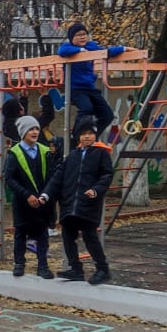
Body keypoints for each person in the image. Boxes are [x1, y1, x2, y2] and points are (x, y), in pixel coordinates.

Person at [42, 117, 115, 284]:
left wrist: (96, 190)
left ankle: (103, 269)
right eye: (83, 133)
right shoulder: (72, 156)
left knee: (90, 236)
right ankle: (75, 269)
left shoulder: (101, 153)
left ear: (95, 135)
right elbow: (58, 177)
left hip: (88, 204)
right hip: (69, 205)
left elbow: (106, 175)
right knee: (68, 236)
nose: (87, 136)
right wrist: (46, 194)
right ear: (78, 136)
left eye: (90, 133)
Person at [3, 115, 56, 279]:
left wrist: (44, 195)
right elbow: (9, 179)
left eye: (36, 129)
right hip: (22, 202)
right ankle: (19, 263)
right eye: (31, 129)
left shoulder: (45, 151)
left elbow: (51, 176)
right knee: (20, 233)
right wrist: (26, 195)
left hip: (41, 202)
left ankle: (43, 265)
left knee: (42, 234)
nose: (35, 132)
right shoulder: (14, 153)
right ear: (23, 132)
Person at [57, 22, 127, 132]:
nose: (82, 37)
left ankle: (92, 135)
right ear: (71, 38)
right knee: (86, 109)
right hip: (76, 89)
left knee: (107, 115)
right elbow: (61, 51)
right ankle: (76, 135)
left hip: (90, 88)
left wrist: (124, 48)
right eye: (78, 35)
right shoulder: (68, 47)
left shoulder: (91, 46)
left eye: (84, 34)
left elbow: (106, 52)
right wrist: (80, 50)